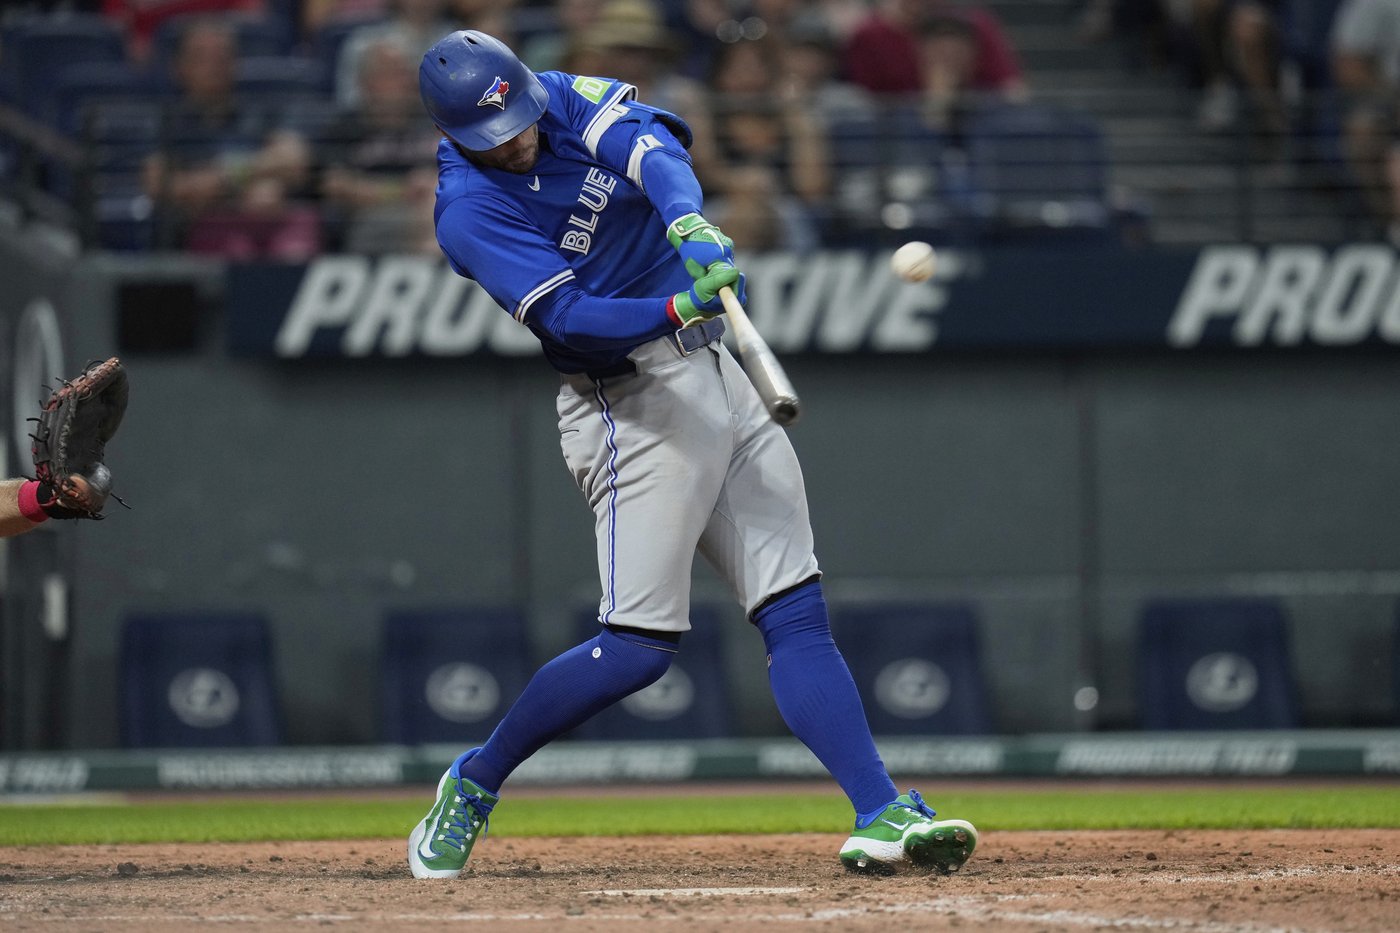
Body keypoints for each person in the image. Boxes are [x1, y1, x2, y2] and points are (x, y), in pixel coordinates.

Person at [406, 29, 979, 880]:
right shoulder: (468, 212)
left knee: (792, 606)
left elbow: (653, 146)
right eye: (498, 135)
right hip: (628, 403)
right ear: (454, 135)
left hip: (716, 368)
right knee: (638, 646)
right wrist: (675, 307)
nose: (522, 138)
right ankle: (474, 780)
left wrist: (687, 220)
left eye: (521, 119)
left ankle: (878, 808)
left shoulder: (557, 96)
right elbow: (564, 319)